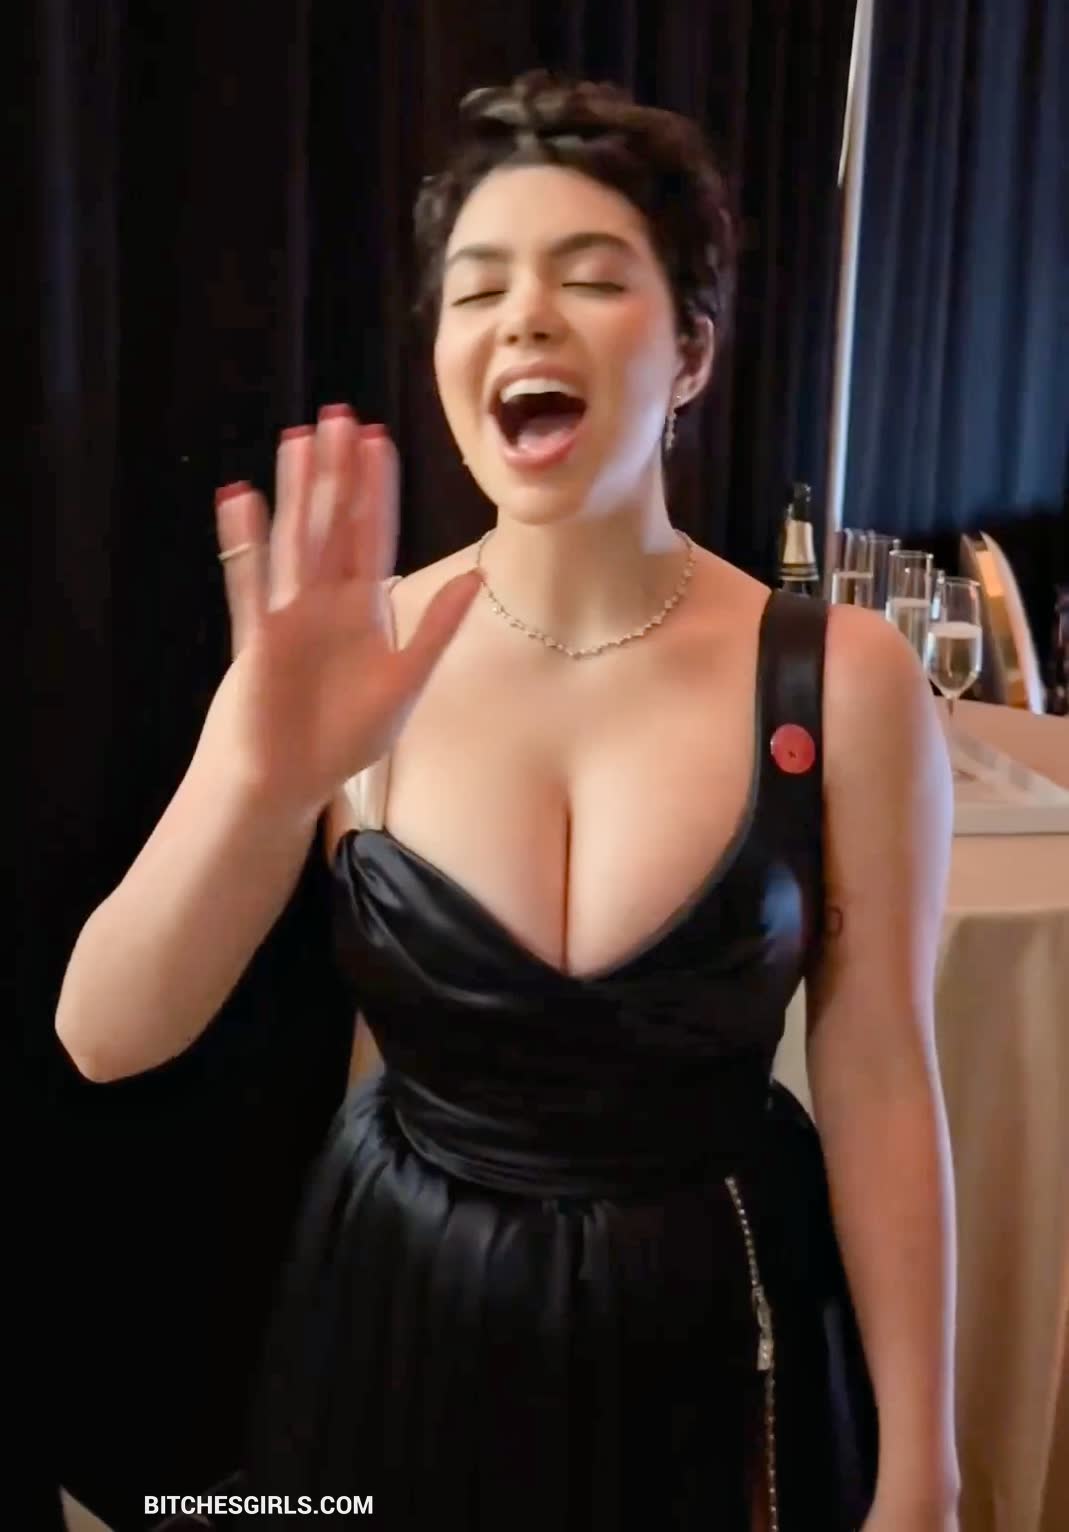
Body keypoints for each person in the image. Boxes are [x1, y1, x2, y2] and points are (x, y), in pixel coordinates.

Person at [55, 73, 961, 1530]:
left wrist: (926, 1467)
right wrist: (262, 776)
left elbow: (879, 1074)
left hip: (713, 1330)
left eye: (591, 278)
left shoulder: (839, 680)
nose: (525, 318)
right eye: (478, 290)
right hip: (395, 1320)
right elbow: (104, 1035)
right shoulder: (351, 659)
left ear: (689, 354)